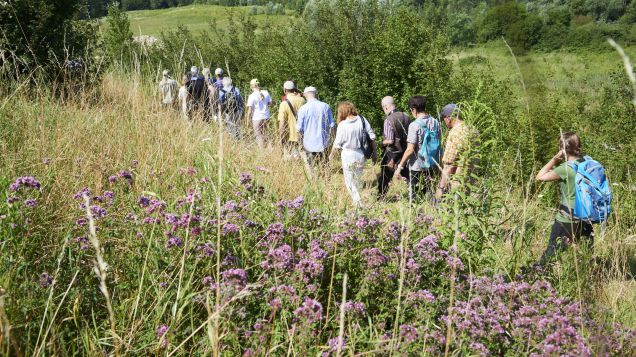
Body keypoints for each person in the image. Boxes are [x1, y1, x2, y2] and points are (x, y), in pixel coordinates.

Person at [535, 132, 594, 266]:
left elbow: (539, 177)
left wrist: (555, 159)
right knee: (585, 253)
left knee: (552, 252)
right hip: (586, 215)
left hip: (567, 217)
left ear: (562, 148)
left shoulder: (566, 168)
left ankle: (538, 278)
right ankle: (586, 278)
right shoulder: (587, 162)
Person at [329, 102, 377, 208]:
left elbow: (337, 144)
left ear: (341, 112)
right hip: (361, 154)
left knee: (350, 182)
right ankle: (358, 202)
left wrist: (330, 157)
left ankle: (358, 203)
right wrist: (375, 154)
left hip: (347, 154)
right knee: (357, 180)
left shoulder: (342, 125)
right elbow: (372, 137)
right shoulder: (362, 120)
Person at [396, 95, 441, 202]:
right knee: (429, 194)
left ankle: (416, 217)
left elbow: (410, 149)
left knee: (415, 198)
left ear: (414, 109)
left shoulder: (414, 125)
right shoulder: (435, 122)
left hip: (417, 166)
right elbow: (439, 142)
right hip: (432, 164)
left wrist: (400, 167)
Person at [435, 104, 479, 200]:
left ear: (448, 118)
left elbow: (449, 165)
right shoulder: (473, 129)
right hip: (470, 180)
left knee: (453, 211)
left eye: (444, 119)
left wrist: (441, 188)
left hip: (457, 183)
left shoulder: (455, 133)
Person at [377, 96, 411, 199]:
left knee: (385, 176)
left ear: (386, 107)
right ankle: (415, 194)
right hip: (406, 150)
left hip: (392, 153)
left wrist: (381, 143)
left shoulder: (388, 120)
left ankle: (381, 196)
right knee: (407, 173)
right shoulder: (406, 116)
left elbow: (390, 140)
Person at [296, 86, 335, 168]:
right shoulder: (325, 106)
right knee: (325, 167)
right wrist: (332, 141)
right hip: (324, 143)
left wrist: (300, 143)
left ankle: (314, 180)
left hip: (308, 144)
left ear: (305, 95)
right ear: (316, 94)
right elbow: (332, 125)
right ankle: (326, 179)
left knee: (312, 168)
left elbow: (299, 129)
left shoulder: (303, 109)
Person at [277, 80, 306, 160]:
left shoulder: (283, 104)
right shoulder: (303, 100)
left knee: (294, 156)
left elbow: (282, 123)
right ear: (294, 89)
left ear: (285, 90)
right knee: (304, 156)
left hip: (291, 135)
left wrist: (281, 137)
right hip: (303, 133)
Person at [246, 78, 272, 148]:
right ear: (259, 85)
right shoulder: (266, 92)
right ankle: (270, 151)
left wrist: (248, 121)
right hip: (266, 117)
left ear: (251, 86)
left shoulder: (251, 96)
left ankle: (262, 152)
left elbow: (250, 111)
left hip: (257, 118)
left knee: (259, 136)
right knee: (267, 134)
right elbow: (270, 104)